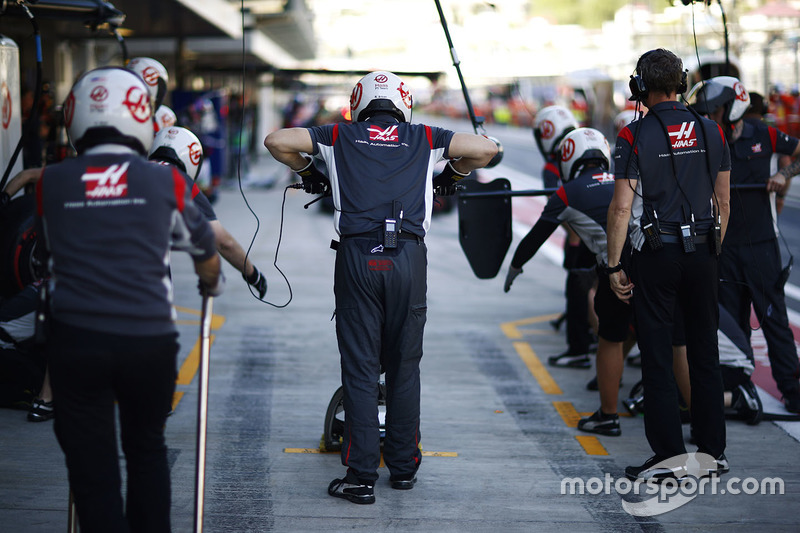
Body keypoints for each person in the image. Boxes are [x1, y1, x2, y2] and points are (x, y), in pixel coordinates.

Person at [264, 70, 497, 504]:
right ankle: (404, 469)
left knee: (360, 369)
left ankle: (361, 477)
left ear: (359, 102)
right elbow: (486, 150)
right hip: (409, 259)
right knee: (405, 368)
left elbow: (276, 141)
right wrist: (451, 175)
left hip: (357, 259)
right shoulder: (425, 136)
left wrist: (314, 173)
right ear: (404, 103)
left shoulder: (338, 134)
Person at [35, 66, 222, 532]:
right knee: (145, 448)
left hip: (76, 342)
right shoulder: (168, 183)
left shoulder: (51, 183)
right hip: (147, 341)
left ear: (74, 118)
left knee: (91, 465)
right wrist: (210, 283)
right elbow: (206, 252)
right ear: (142, 118)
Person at [606, 49, 731, 481]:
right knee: (705, 354)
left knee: (658, 356)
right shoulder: (711, 129)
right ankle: (712, 453)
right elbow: (724, 201)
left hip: (657, 256)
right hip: (703, 252)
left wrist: (613, 266)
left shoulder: (632, 134)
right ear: (681, 82)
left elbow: (622, 209)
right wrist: (712, 249)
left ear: (640, 86)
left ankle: (668, 458)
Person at [504, 127, 632, 436]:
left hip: (616, 271)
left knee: (610, 340)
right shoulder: (623, 179)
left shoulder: (568, 192)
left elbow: (535, 237)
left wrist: (514, 268)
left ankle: (608, 415)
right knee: (671, 342)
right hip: (655, 261)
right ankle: (685, 411)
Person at [689, 76, 800, 414]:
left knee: (775, 321)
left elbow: (797, 152)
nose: (710, 117)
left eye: (715, 111)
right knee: (730, 324)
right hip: (722, 247)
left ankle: (792, 389)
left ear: (732, 107)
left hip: (762, 246)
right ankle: (738, 387)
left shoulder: (763, 133)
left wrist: (785, 175)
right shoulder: (705, 140)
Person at [149, 126, 267, 298]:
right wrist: (252, 274)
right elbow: (223, 242)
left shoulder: (125, 169)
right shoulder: (179, 181)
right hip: (146, 284)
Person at [533, 105, 598, 368]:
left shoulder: (553, 164)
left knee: (578, 290)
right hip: (605, 231)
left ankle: (579, 347)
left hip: (579, 234)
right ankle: (596, 338)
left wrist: (572, 236)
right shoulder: (591, 146)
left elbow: (556, 204)